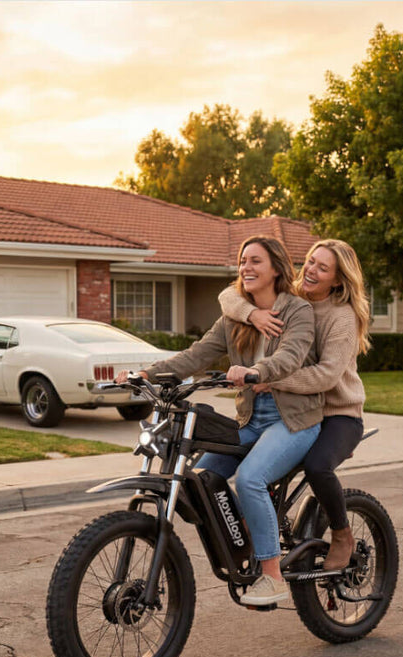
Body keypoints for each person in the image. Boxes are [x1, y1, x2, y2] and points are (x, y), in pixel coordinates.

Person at [115, 236, 323, 606]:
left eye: (255, 261)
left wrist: (256, 371)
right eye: (243, 261)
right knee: (202, 479)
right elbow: (195, 356)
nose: (246, 267)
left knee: (250, 478)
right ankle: (248, 529)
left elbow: (291, 357)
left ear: (276, 268)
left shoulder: (297, 311)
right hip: (250, 420)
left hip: (293, 421)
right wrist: (146, 374)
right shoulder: (235, 318)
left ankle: (273, 576)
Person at [219, 238, 370, 571]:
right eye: (311, 261)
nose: (311, 271)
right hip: (295, 407)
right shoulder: (293, 298)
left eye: (323, 268)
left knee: (317, 466)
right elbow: (228, 296)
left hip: (338, 414)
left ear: (338, 280)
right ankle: (258, 526)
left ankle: (342, 533)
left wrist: (270, 380)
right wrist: (253, 314)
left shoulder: (342, 317)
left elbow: (326, 376)